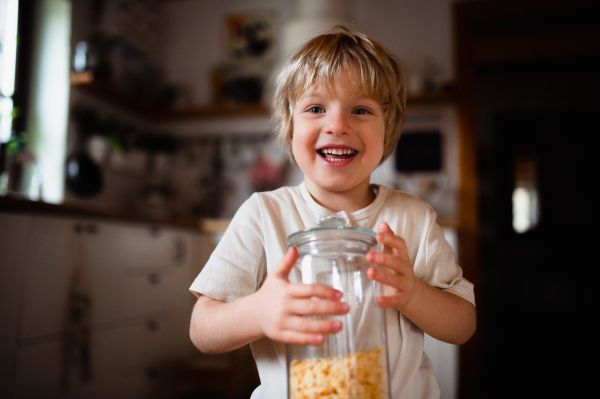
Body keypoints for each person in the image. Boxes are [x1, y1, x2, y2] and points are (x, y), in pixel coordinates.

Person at [189, 26, 476, 398]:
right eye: (315, 108)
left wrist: (413, 294)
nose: (338, 125)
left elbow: (463, 325)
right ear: (290, 124)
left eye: (361, 109)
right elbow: (202, 329)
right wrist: (257, 312)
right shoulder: (263, 214)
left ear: (387, 128)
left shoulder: (413, 219)